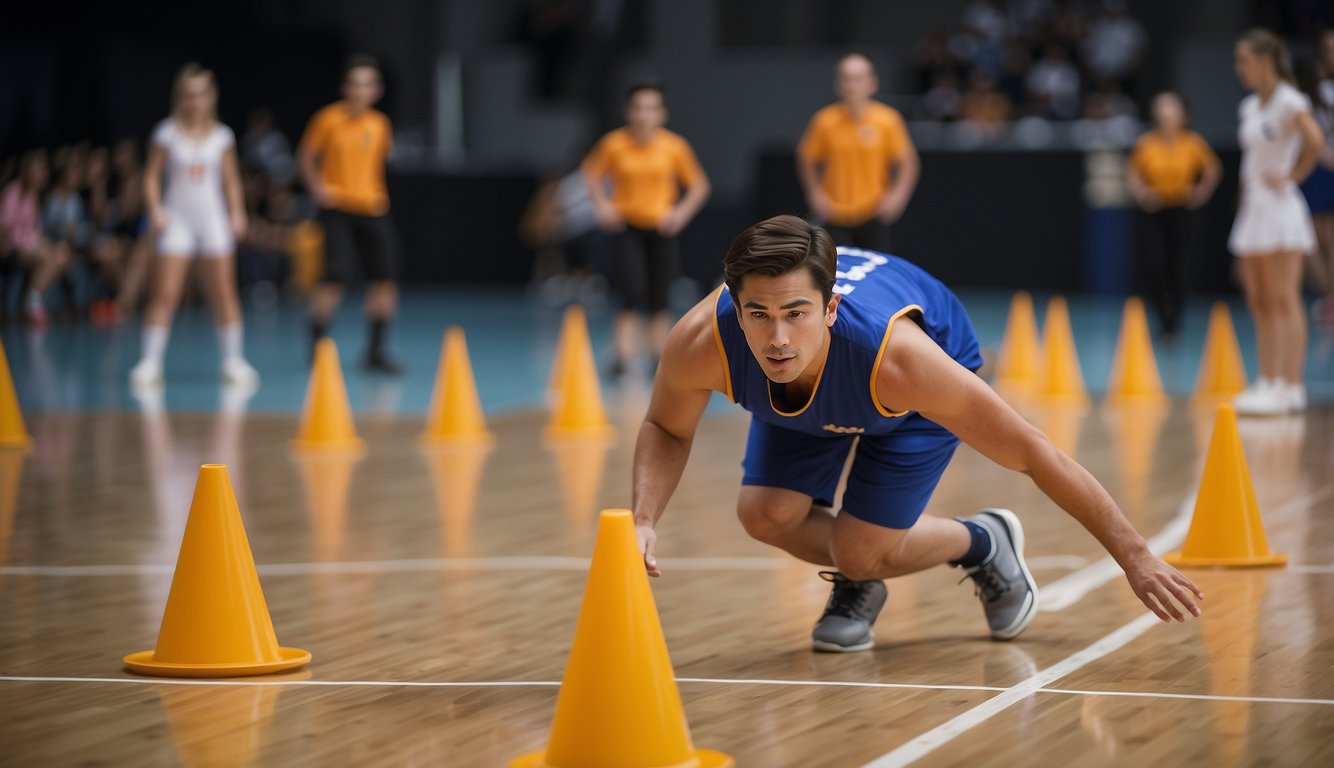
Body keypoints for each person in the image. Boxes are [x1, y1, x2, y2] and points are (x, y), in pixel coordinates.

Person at [630, 214, 1203, 652]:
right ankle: (865, 571)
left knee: (860, 551)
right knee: (763, 515)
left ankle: (983, 541)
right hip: (816, 392)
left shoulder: (903, 362)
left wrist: (1135, 557)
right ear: (733, 304)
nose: (778, 337)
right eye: (759, 315)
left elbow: (1032, 452)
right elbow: (665, 426)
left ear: (829, 309)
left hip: (905, 392)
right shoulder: (702, 341)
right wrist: (644, 519)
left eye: (796, 313)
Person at [129, 63, 257, 388]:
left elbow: (230, 180)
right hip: (177, 221)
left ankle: (233, 361)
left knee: (224, 292)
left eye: (201, 94)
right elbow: (150, 177)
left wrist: (237, 213)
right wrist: (156, 210)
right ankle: (150, 362)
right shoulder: (166, 134)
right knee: (165, 293)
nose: (195, 101)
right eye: (188, 95)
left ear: (211, 96)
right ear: (179, 97)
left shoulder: (221, 136)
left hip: (212, 219)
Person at [1229, 29, 1326, 415]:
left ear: (1264, 62)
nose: (1239, 69)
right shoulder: (1249, 107)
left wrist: (1293, 176)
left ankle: (1292, 384)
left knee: (1285, 298)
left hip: (1281, 208)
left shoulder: (1290, 100)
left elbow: (1315, 140)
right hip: (1253, 208)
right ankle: (1267, 380)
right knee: (1260, 300)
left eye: (1243, 61)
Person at [583, 82, 710, 375]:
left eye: (651, 108)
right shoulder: (613, 144)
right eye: (639, 108)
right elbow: (591, 174)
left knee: (660, 292)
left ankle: (658, 355)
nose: (644, 114)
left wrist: (679, 214)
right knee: (632, 289)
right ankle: (623, 354)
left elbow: (699, 186)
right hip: (627, 226)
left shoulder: (674, 146)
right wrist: (603, 205)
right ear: (629, 111)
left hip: (661, 229)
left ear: (662, 113)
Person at [298, 54, 402, 373]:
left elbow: (383, 160)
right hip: (338, 208)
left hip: (372, 207)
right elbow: (305, 157)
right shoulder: (327, 119)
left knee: (385, 280)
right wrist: (318, 188)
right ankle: (316, 345)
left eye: (367, 84)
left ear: (377, 90)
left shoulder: (380, 124)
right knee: (336, 277)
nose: (360, 90)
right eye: (355, 83)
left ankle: (375, 351)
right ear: (345, 87)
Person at [798, 52, 919, 253]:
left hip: (872, 212)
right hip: (834, 213)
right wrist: (815, 193)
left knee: (875, 269)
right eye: (846, 78)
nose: (852, 85)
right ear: (839, 84)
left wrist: (897, 196)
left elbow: (908, 161)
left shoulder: (888, 120)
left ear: (872, 83)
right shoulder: (825, 121)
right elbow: (806, 156)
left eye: (858, 78)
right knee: (834, 269)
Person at [1126, 91, 1222, 339]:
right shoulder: (1146, 143)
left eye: (1171, 108)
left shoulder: (1192, 142)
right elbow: (1133, 173)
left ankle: (1175, 321)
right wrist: (1143, 193)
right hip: (1155, 210)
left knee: (1177, 265)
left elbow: (1213, 169)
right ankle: (1160, 315)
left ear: (1182, 114)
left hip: (1181, 210)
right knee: (1154, 263)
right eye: (1162, 108)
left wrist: (1199, 193)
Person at [0, 149, 65, 325]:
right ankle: (32, 302)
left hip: (30, 245)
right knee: (47, 255)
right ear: (28, 170)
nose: (44, 174)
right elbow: (5, 230)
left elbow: (36, 229)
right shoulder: (12, 192)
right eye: (40, 169)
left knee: (60, 256)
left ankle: (32, 299)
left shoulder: (33, 196)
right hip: (11, 248)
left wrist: (41, 241)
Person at [1301, 28, 1334, 327]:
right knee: (1313, 236)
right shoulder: (1311, 93)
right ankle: (1328, 297)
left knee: (1330, 235)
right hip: (1317, 167)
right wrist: (1323, 153)